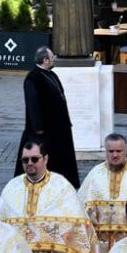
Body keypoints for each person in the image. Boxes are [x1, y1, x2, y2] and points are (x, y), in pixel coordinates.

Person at [78, 133, 127, 253]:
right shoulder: (94, 174)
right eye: (111, 151)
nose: (115, 155)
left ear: (126, 151)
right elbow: (80, 208)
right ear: (106, 152)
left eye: (119, 151)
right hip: (98, 244)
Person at [14, 45, 79, 187]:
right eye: (52, 56)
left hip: (59, 127)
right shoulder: (33, 78)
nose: (54, 58)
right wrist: (38, 127)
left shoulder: (51, 74)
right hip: (45, 129)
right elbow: (32, 104)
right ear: (45, 60)